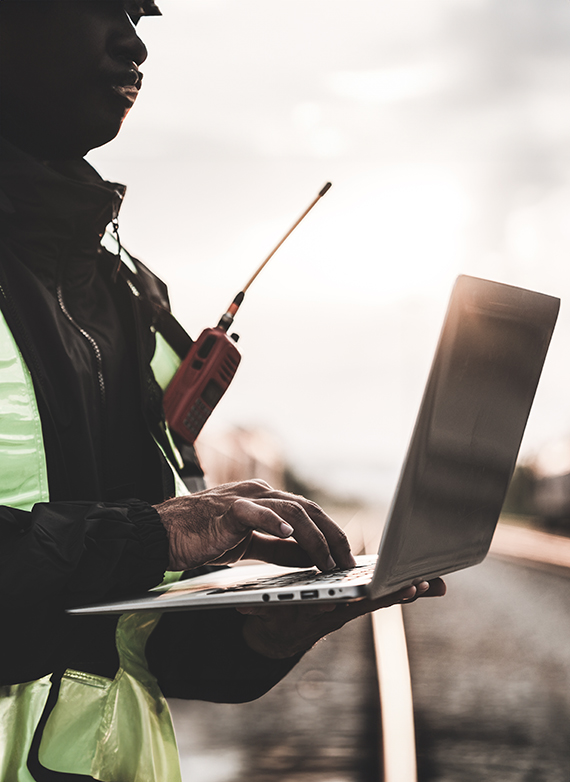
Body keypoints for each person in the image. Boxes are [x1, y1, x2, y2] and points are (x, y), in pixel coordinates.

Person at [0, 1, 446, 780]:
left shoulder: (129, 301)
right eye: (96, 5)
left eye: (138, 15)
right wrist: (154, 534)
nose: (133, 40)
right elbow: (130, 547)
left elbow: (133, 641)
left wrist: (258, 633)